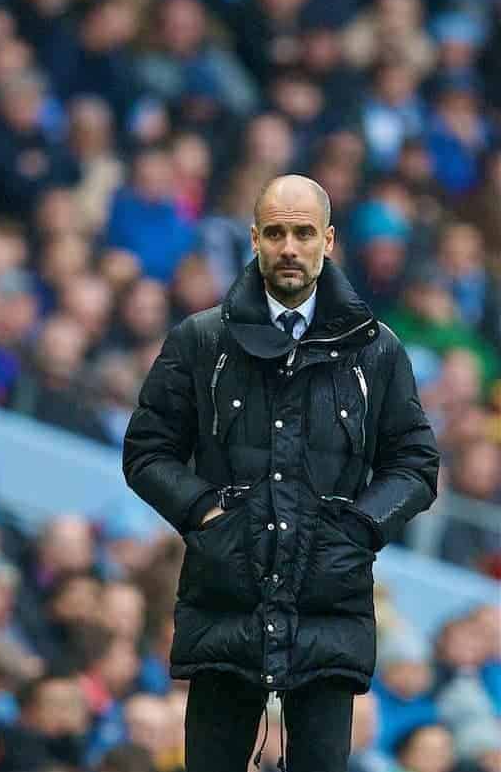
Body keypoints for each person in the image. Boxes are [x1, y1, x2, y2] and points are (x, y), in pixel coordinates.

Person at [122, 175, 439, 771]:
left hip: (331, 601)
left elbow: (417, 464)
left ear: (329, 239)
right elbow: (146, 451)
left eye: (302, 232)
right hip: (226, 596)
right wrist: (206, 516)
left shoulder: (377, 350)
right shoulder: (201, 340)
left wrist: (359, 530)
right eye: (275, 233)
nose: (289, 246)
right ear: (254, 240)